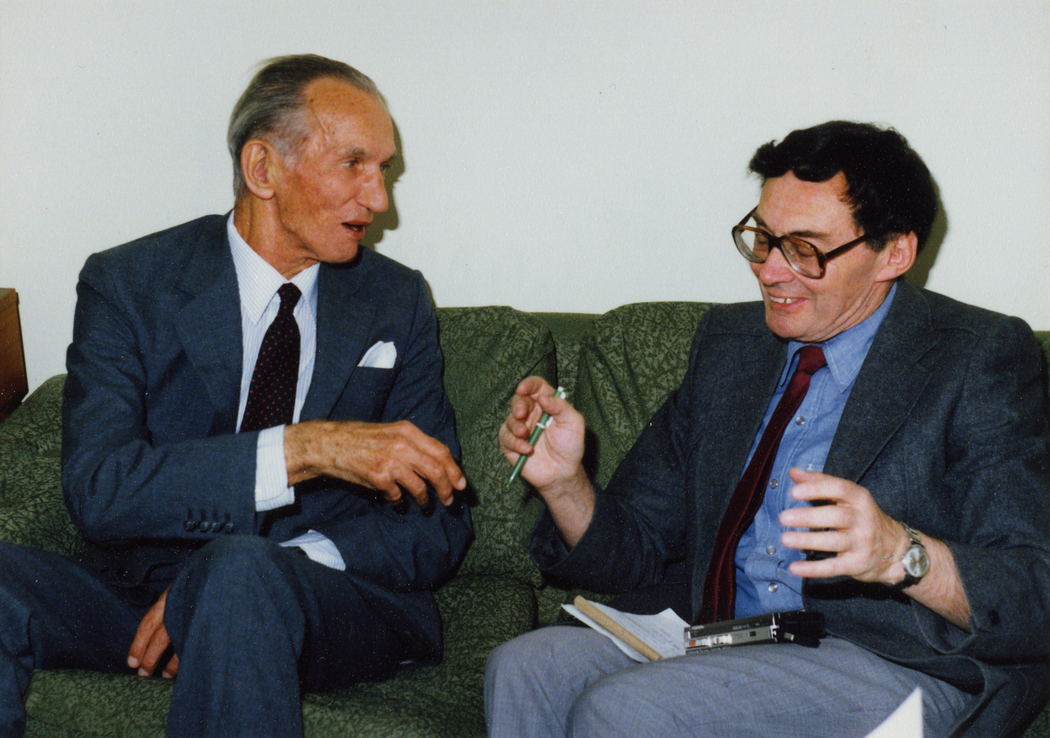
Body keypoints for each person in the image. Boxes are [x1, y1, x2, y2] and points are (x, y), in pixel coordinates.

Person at [487, 121, 1050, 737]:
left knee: (628, 708)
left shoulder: (976, 356)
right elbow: (638, 549)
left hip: (891, 659)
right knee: (526, 667)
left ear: (894, 253)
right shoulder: (729, 345)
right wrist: (565, 484)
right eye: (763, 238)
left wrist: (899, 553)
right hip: (721, 639)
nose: (770, 272)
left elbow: (1035, 587)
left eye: (806, 249)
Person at [0, 54, 472, 737]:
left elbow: (440, 521)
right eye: (353, 165)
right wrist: (302, 449)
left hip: (325, 597)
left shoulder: (395, 302)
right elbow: (99, 489)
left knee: (239, 572)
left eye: (384, 170)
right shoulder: (130, 283)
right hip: (142, 593)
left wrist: (267, 568)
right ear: (263, 169)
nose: (378, 200)